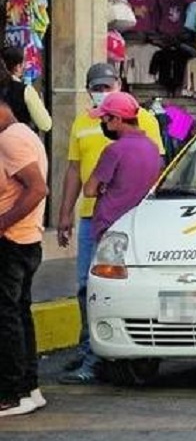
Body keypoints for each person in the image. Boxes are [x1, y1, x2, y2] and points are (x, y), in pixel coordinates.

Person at [56, 63, 164, 385]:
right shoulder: (82, 122)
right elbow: (73, 171)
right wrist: (65, 213)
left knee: (105, 288)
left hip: (124, 221)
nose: (101, 93)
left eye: (107, 87)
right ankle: (90, 347)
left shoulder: (142, 124)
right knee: (85, 287)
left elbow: (152, 171)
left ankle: (99, 355)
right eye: (96, 88)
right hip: (93, 218)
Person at [0, 98, 48, 416]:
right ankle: (29, 388)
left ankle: (12, 393)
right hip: (25, 241)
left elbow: (38, 188)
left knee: (7, 319)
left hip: (12, 243)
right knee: (18, 314)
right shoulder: (24, 133)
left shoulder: (10, 139)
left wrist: (2, 223)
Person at [85, 92, 163, 243]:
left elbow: (89, 190)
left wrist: (103, 188)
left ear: (117, 119)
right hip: (139, 224)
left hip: (110, 225)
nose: (103, 124)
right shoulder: (153, 148)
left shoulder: (114, 150)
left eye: (104, 119)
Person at [0, 47, 51, 133]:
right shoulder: (26, 91)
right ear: (18, 67)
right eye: (24, 62)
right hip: (19, 138)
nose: (26, 66)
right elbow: (45, 125)